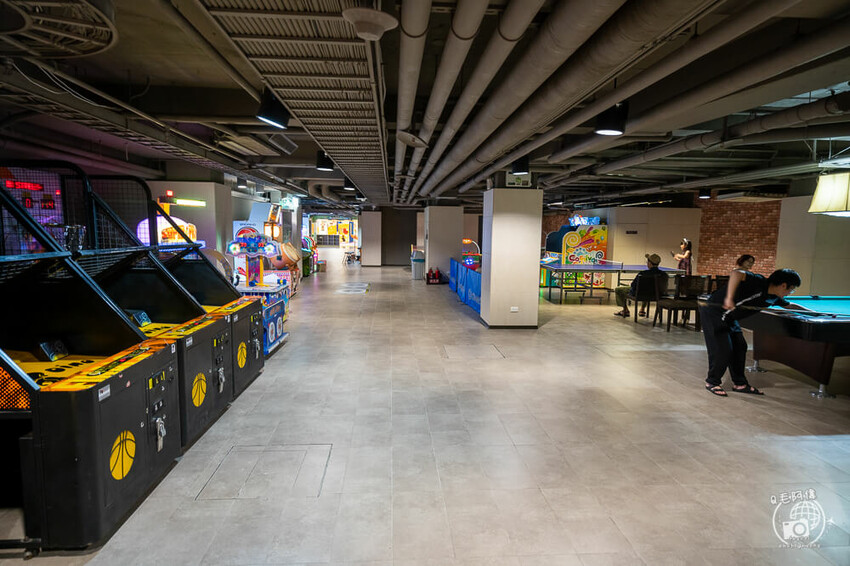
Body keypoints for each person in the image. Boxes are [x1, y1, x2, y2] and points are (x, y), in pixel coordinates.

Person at [699, 268, 808, 397]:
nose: (790, 292)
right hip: (714, 313)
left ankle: (740, 384)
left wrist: (813, 312)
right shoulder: (758, 281)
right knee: (723, 349)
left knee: (740, 347)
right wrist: (729, 298)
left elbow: (790, 306)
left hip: (730, 318)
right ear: (784, 285)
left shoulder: (773, 298)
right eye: (791, 289)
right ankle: (712, 382)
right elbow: (736, 273)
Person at [613, 253, 668, 318]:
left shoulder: (642, 274)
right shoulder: (664, 275)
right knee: (648, 289)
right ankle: (642, 309)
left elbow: (633, 285)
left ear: (649, 263)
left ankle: (625, 310)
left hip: (639, 294)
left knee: (618, 289)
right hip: (657, 295)